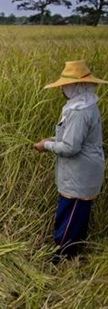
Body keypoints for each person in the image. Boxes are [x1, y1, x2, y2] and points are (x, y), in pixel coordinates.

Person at [33, 60, 107, 263]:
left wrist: (45, 146)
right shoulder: (84, 105)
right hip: (83, 170)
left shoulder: (79, 112)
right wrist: (51, 140)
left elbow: (70, 148)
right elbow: (72, 139)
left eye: (66, 85)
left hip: (80, 172)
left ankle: (63, 254)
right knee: (77, 213)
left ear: (76, 86)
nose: (63, 90)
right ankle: (73, 250)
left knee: (71, 213)